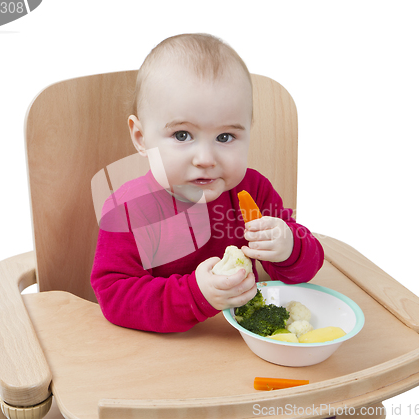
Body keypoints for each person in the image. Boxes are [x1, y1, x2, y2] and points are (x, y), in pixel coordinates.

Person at [91, 33, 324, 333]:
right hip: (164, 359)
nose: (205, 158)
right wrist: (195, 295)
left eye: (225, 137)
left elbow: (303, 270)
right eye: (182, 135)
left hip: (241, 350)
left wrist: (289, 247)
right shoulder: (127, 210)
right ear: (141, 138)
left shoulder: (253, 191)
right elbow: (114, 297)